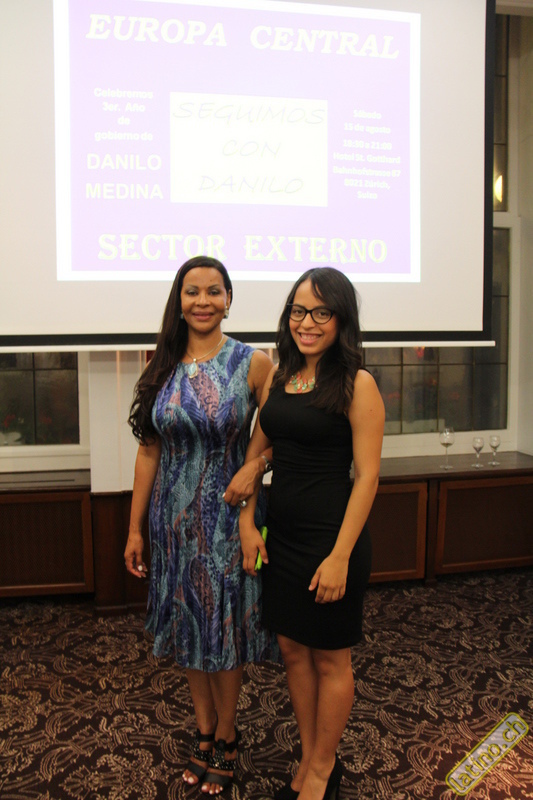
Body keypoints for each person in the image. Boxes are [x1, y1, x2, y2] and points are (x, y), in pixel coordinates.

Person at [124, 255, 276, 796]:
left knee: (223, 630)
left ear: (229, 299)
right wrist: (135, 529)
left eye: (214, 291)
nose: (203, 301)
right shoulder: (161, 363)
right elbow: (149, 451)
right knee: (190, 627)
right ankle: (205, 731)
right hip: (171, 524)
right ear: (180, 300)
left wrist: (257, 466)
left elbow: (283, 432)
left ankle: (229, 736)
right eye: (193, 291)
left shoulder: (253, 363)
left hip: (228, 521)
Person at [239, 267, 385, 800]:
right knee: (292, 650)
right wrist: (247, 521)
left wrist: (340, 556)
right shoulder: (279, 377)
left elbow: (367, 476)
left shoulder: (357, 383)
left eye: (321, 312)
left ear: (341, 319)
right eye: (299, 311)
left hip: (332, 538)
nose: (307, 322)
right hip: (282, 536)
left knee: (330, 656)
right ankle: (310, 757)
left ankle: (322, 772)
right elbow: (257, 453)